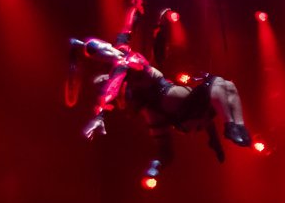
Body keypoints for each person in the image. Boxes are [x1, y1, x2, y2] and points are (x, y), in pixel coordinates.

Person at [65, 17, 250, 180]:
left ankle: (237, 127)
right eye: (103, 53)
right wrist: (100, 116)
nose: (108, 51)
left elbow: (128, 25)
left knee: (228, 86)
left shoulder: (122, 49)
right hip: (168, 99)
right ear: (102, 60)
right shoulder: (120, 67)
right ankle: (230, 127)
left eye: (106, 47)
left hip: (171, 99)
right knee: (217, 85)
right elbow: (111, 89)